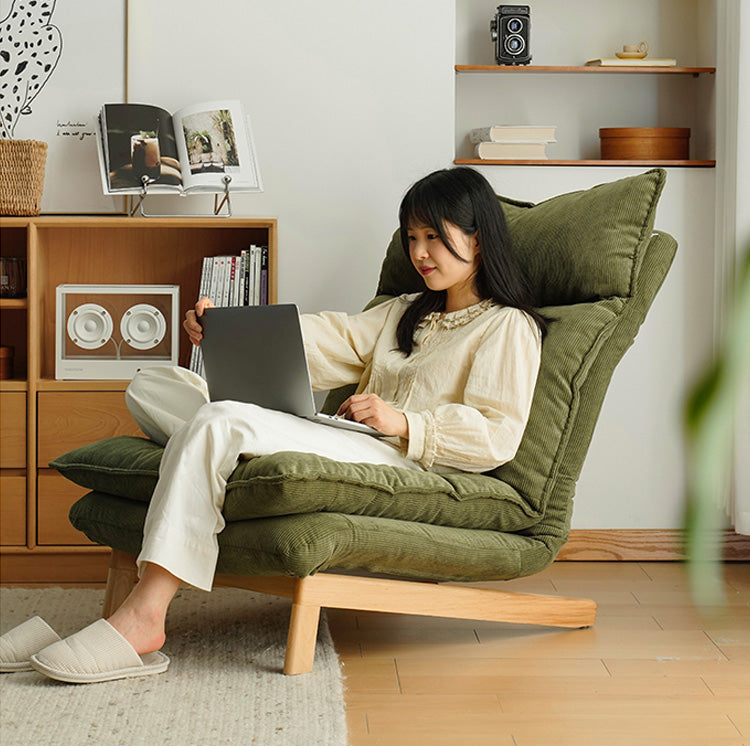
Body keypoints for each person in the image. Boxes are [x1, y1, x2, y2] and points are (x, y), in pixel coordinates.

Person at [0, 167, 545, 683]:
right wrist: (227, 331)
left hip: (394, 459)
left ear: (478, 237)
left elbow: (497, 434)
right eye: (411, 237)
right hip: (342, 436)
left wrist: (404, 421)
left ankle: (145, 613)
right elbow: (325, 340)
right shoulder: (405, 311)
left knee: (218, 419)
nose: (419, 252)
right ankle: (228, 450)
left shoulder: (507, 327)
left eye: (433, 236)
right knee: (153, 384)